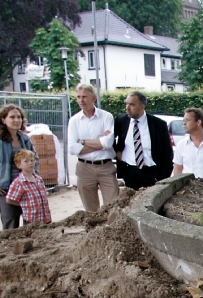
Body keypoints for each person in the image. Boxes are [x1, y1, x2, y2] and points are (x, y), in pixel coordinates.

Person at [67, 83, 118, 212]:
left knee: (113, 207)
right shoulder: (74, 121)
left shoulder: (106, 117)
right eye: (78, 97)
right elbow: (73, 148)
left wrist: (82, 142)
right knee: (90, 210)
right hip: (84, 169)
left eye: (84, 96)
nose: (81, 100)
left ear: (94, 98)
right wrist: (99, 143)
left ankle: (109, 231)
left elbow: (107, 143)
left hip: (105, 167)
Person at [113, 91, 173, 189]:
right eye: (126, 104)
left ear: (142, 107)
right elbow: (111, 139)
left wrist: (163, 177)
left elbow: (168, 153)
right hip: (129, 173)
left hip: (152, 173)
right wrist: (117, 152)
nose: (127, 108)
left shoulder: (158, 124)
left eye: (132, 104)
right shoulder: (121, 120)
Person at [5, 149, 51, 225]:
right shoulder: (19, 182)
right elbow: (9, 199)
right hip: (31, 220)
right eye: (26, 161)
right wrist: (23, 204)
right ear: (18, 165)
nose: (30, 163)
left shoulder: (39, 179)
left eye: (32, 160)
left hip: (46, 218)